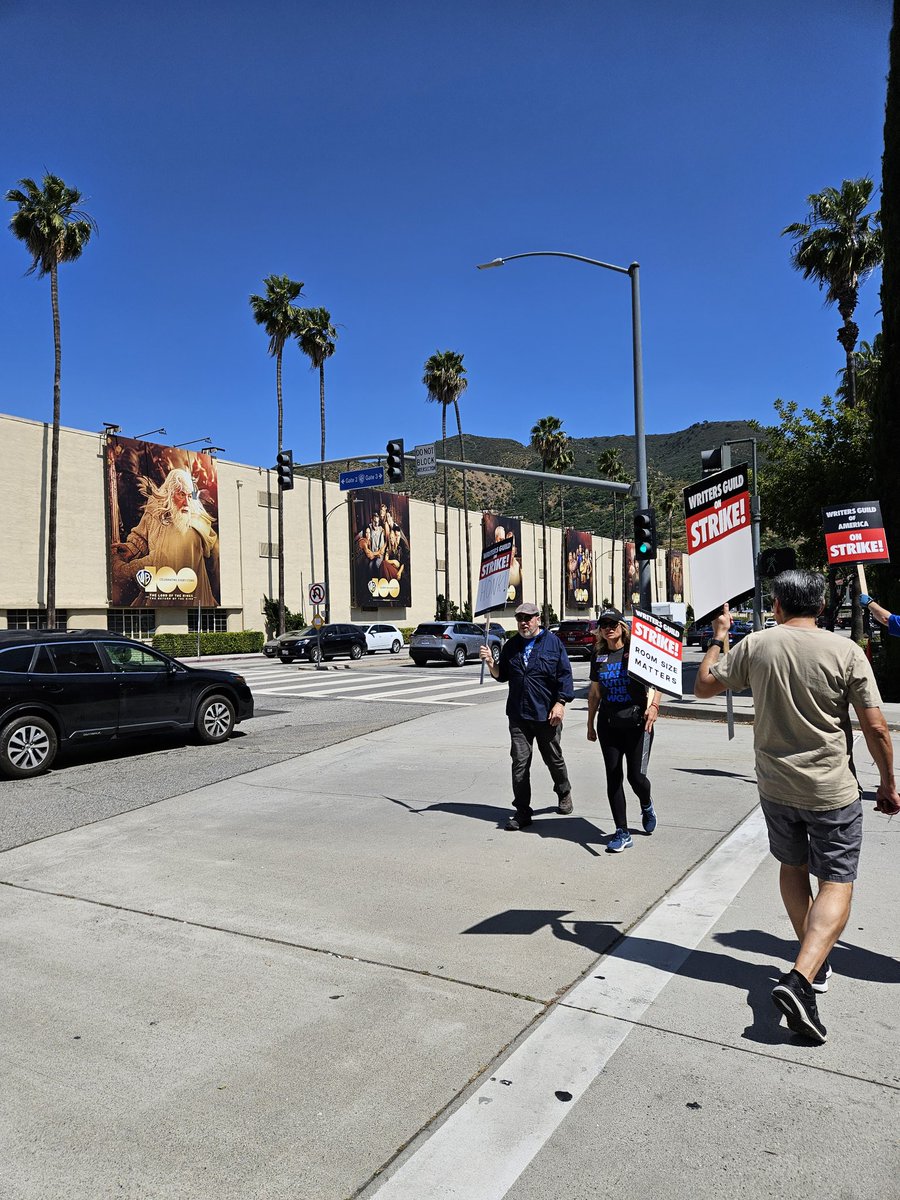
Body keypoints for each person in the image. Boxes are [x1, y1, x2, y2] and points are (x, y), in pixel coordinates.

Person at [695, 570, 899, 1045]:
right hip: (830, 790)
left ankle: (815, 962)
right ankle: (801, 977)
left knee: (792, 866)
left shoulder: (755, 646)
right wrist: (888, 782)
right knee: (837, 880)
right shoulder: (845, 651)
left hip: (775, 787)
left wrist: (719, 639)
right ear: (822, 606)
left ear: (778, 605)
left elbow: (705, 685)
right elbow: (877, 728)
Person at [480, 600, 575, 830]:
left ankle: (564, 791)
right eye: (520, 618)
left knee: (554, 759)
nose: (524, 622)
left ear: (538, 620)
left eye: (528, 618)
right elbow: (501, 675)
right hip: (519, 715)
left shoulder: (553, 643)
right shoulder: (511, 645)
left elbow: (564, 675)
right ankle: (522, 811)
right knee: (519, 763)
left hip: (546, 715)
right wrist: (491, 662)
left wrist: (560, 703)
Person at [586, 608, 660, 852]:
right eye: (604, 624)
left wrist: (654, 706)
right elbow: (595, 693)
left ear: (622, 627)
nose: (609, 628)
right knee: (613, 775)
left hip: (638, 724)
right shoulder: (598, 655)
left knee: (636, 777)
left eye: (613, 623)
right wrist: (589, 723)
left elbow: (657, 680)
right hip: (609, 724)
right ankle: (622, 831)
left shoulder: (635, 652)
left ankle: (646, 804)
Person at [112, 467, 219, 607]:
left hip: (180, 595)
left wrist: (122, 570)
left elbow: (161, 560)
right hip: (162, 588)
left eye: (189, 496)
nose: (186, 502)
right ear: (169, 493)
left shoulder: (191, 527)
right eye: (181, 495)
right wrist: (131, 548)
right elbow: (143, 534)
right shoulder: (156, 509)